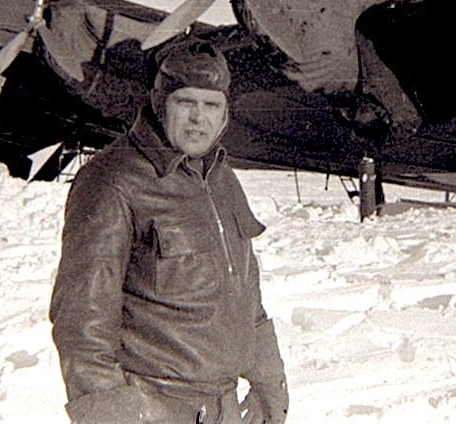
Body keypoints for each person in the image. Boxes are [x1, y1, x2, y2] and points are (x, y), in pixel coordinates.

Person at [49, 40, 288, 423]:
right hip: (153, 408)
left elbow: (244, 293)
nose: (199, 118)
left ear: (225, 114)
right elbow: (82, 322)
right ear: (161, 104)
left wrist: (269, 384)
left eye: (211, 106)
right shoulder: (114, 180)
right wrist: (112, 416)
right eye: (185, 103)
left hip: (222, 406)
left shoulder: (221, 179)